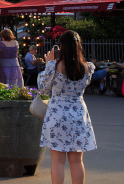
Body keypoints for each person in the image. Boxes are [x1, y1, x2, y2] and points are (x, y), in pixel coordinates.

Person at [39, 30, 96, 184]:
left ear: (62, 46)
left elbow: (43, 88)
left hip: (57, 112)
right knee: (77, 161)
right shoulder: (88, 67)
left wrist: (48, 65)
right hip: (78, 112)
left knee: (57, 161)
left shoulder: (54, 66)